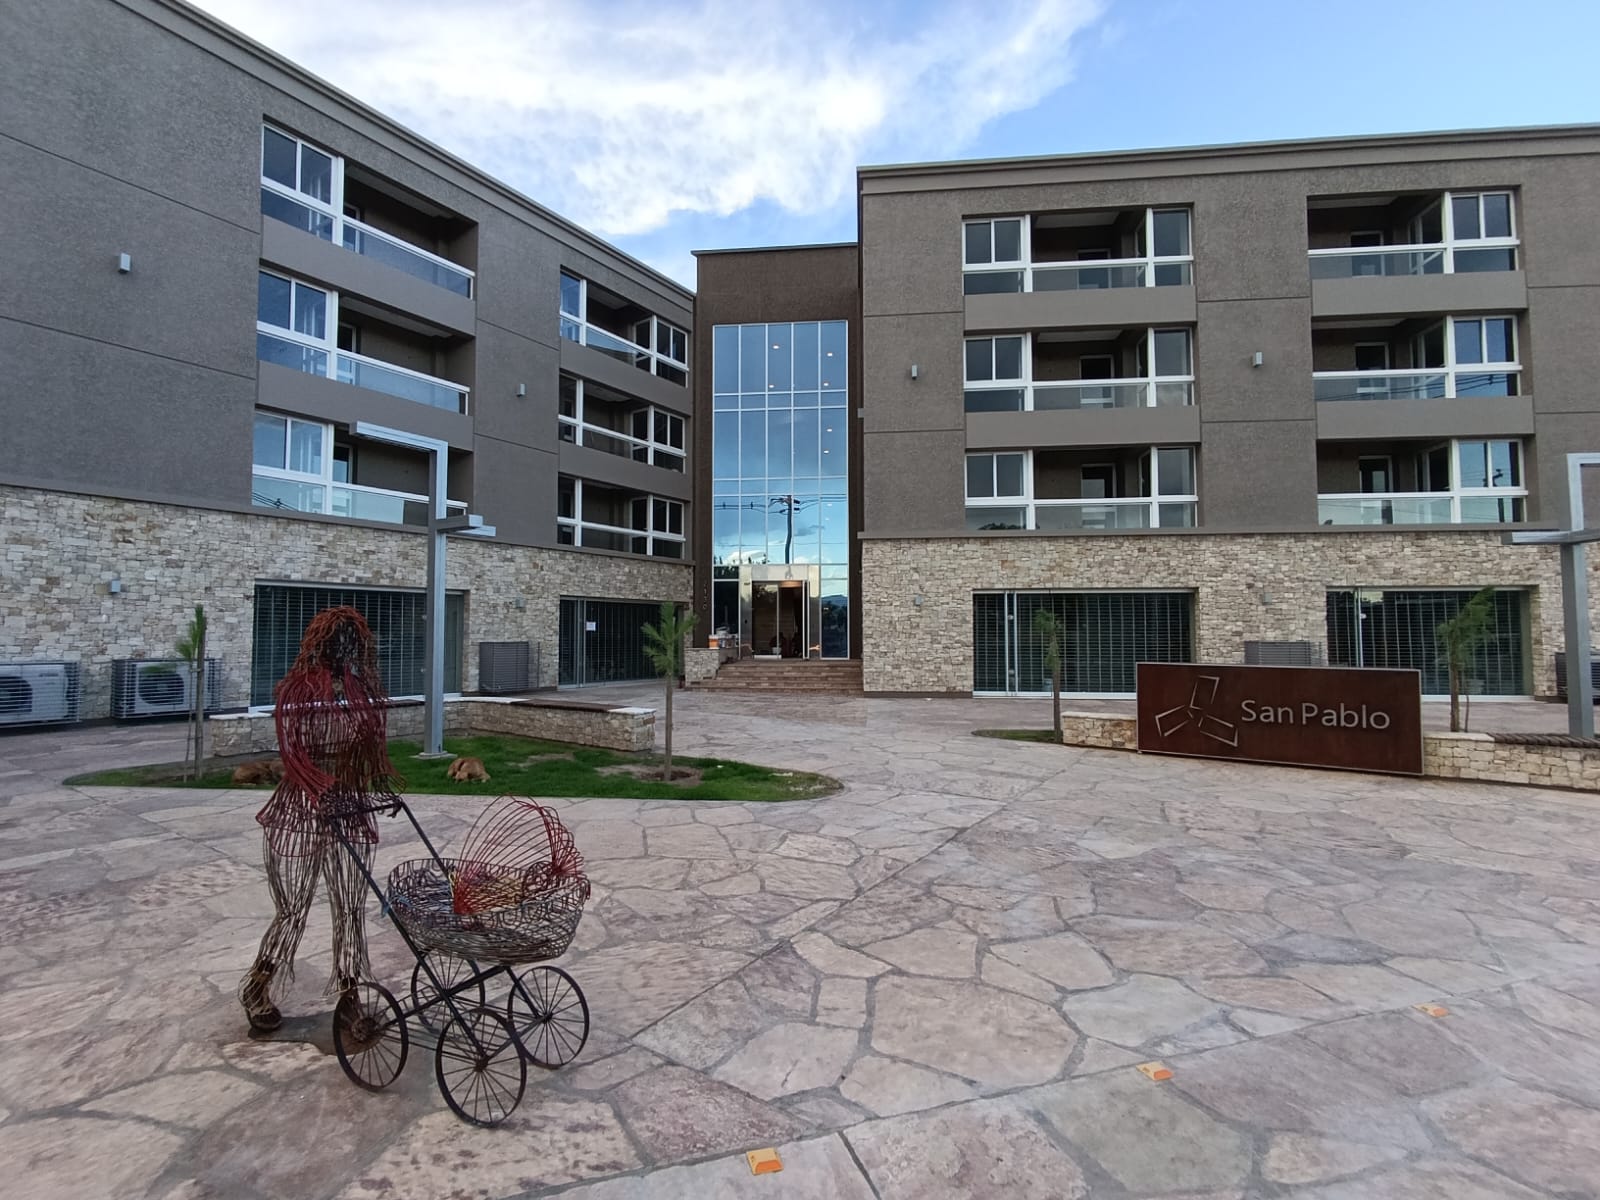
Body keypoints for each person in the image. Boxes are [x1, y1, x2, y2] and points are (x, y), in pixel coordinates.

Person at [237, 606, 400, 1032]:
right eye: (337, 640)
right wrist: (320, 789)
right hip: (300, 811)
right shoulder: (296, 690)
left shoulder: (361, 692)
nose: (344, 648)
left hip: (348, 809)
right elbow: (293, 754)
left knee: (350, 908)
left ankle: (349, 993)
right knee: (293, 909)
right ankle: (258, 985)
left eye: (351, 641)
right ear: (320, 643)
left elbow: (372, 752)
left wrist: (382, 790)